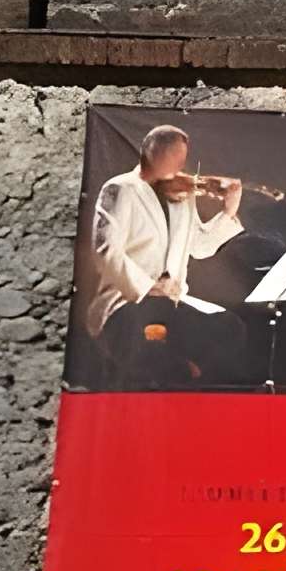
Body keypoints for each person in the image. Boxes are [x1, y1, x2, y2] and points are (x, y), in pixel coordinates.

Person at [79, 125, 249, 385]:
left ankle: (193, 383)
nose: (179, 165)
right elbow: (106, 251)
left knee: (230, 327)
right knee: (154, 351)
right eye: (173, 157)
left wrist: (228, 210)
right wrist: (149, 287)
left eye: (181, 159)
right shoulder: (120, 188)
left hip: (172, 301)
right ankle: (173, 380)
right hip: (128, 300)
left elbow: (200, 247)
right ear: (150, 154)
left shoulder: (180, 196)